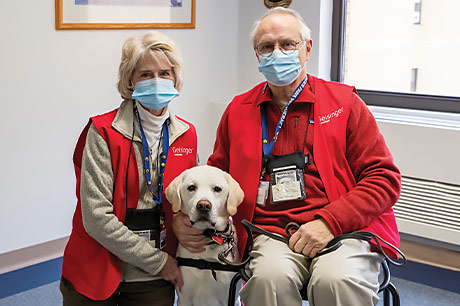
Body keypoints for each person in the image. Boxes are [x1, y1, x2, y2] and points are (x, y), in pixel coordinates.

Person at [173, 7, 401, 306]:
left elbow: (384, 179)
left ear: (307, 49)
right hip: (269, 234)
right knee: (269, 281)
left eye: (287, 44)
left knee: (335, 280)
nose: (276, 53)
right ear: (257, 55)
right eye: (267, 46)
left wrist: (330, 223)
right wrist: (182, 217)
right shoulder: (239, 111)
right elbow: (213, 178)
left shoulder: (345, 104)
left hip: (343, 230)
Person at [60, 31, 198, 306]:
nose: (157, 81)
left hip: (152, 272)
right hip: (99, 265)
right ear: (130, 81)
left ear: (176, 78)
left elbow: (187, 201)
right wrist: (160, 263)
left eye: (165, 73)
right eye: (146, 74)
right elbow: (97, 218)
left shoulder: (187, 134)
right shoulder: (102, 132)